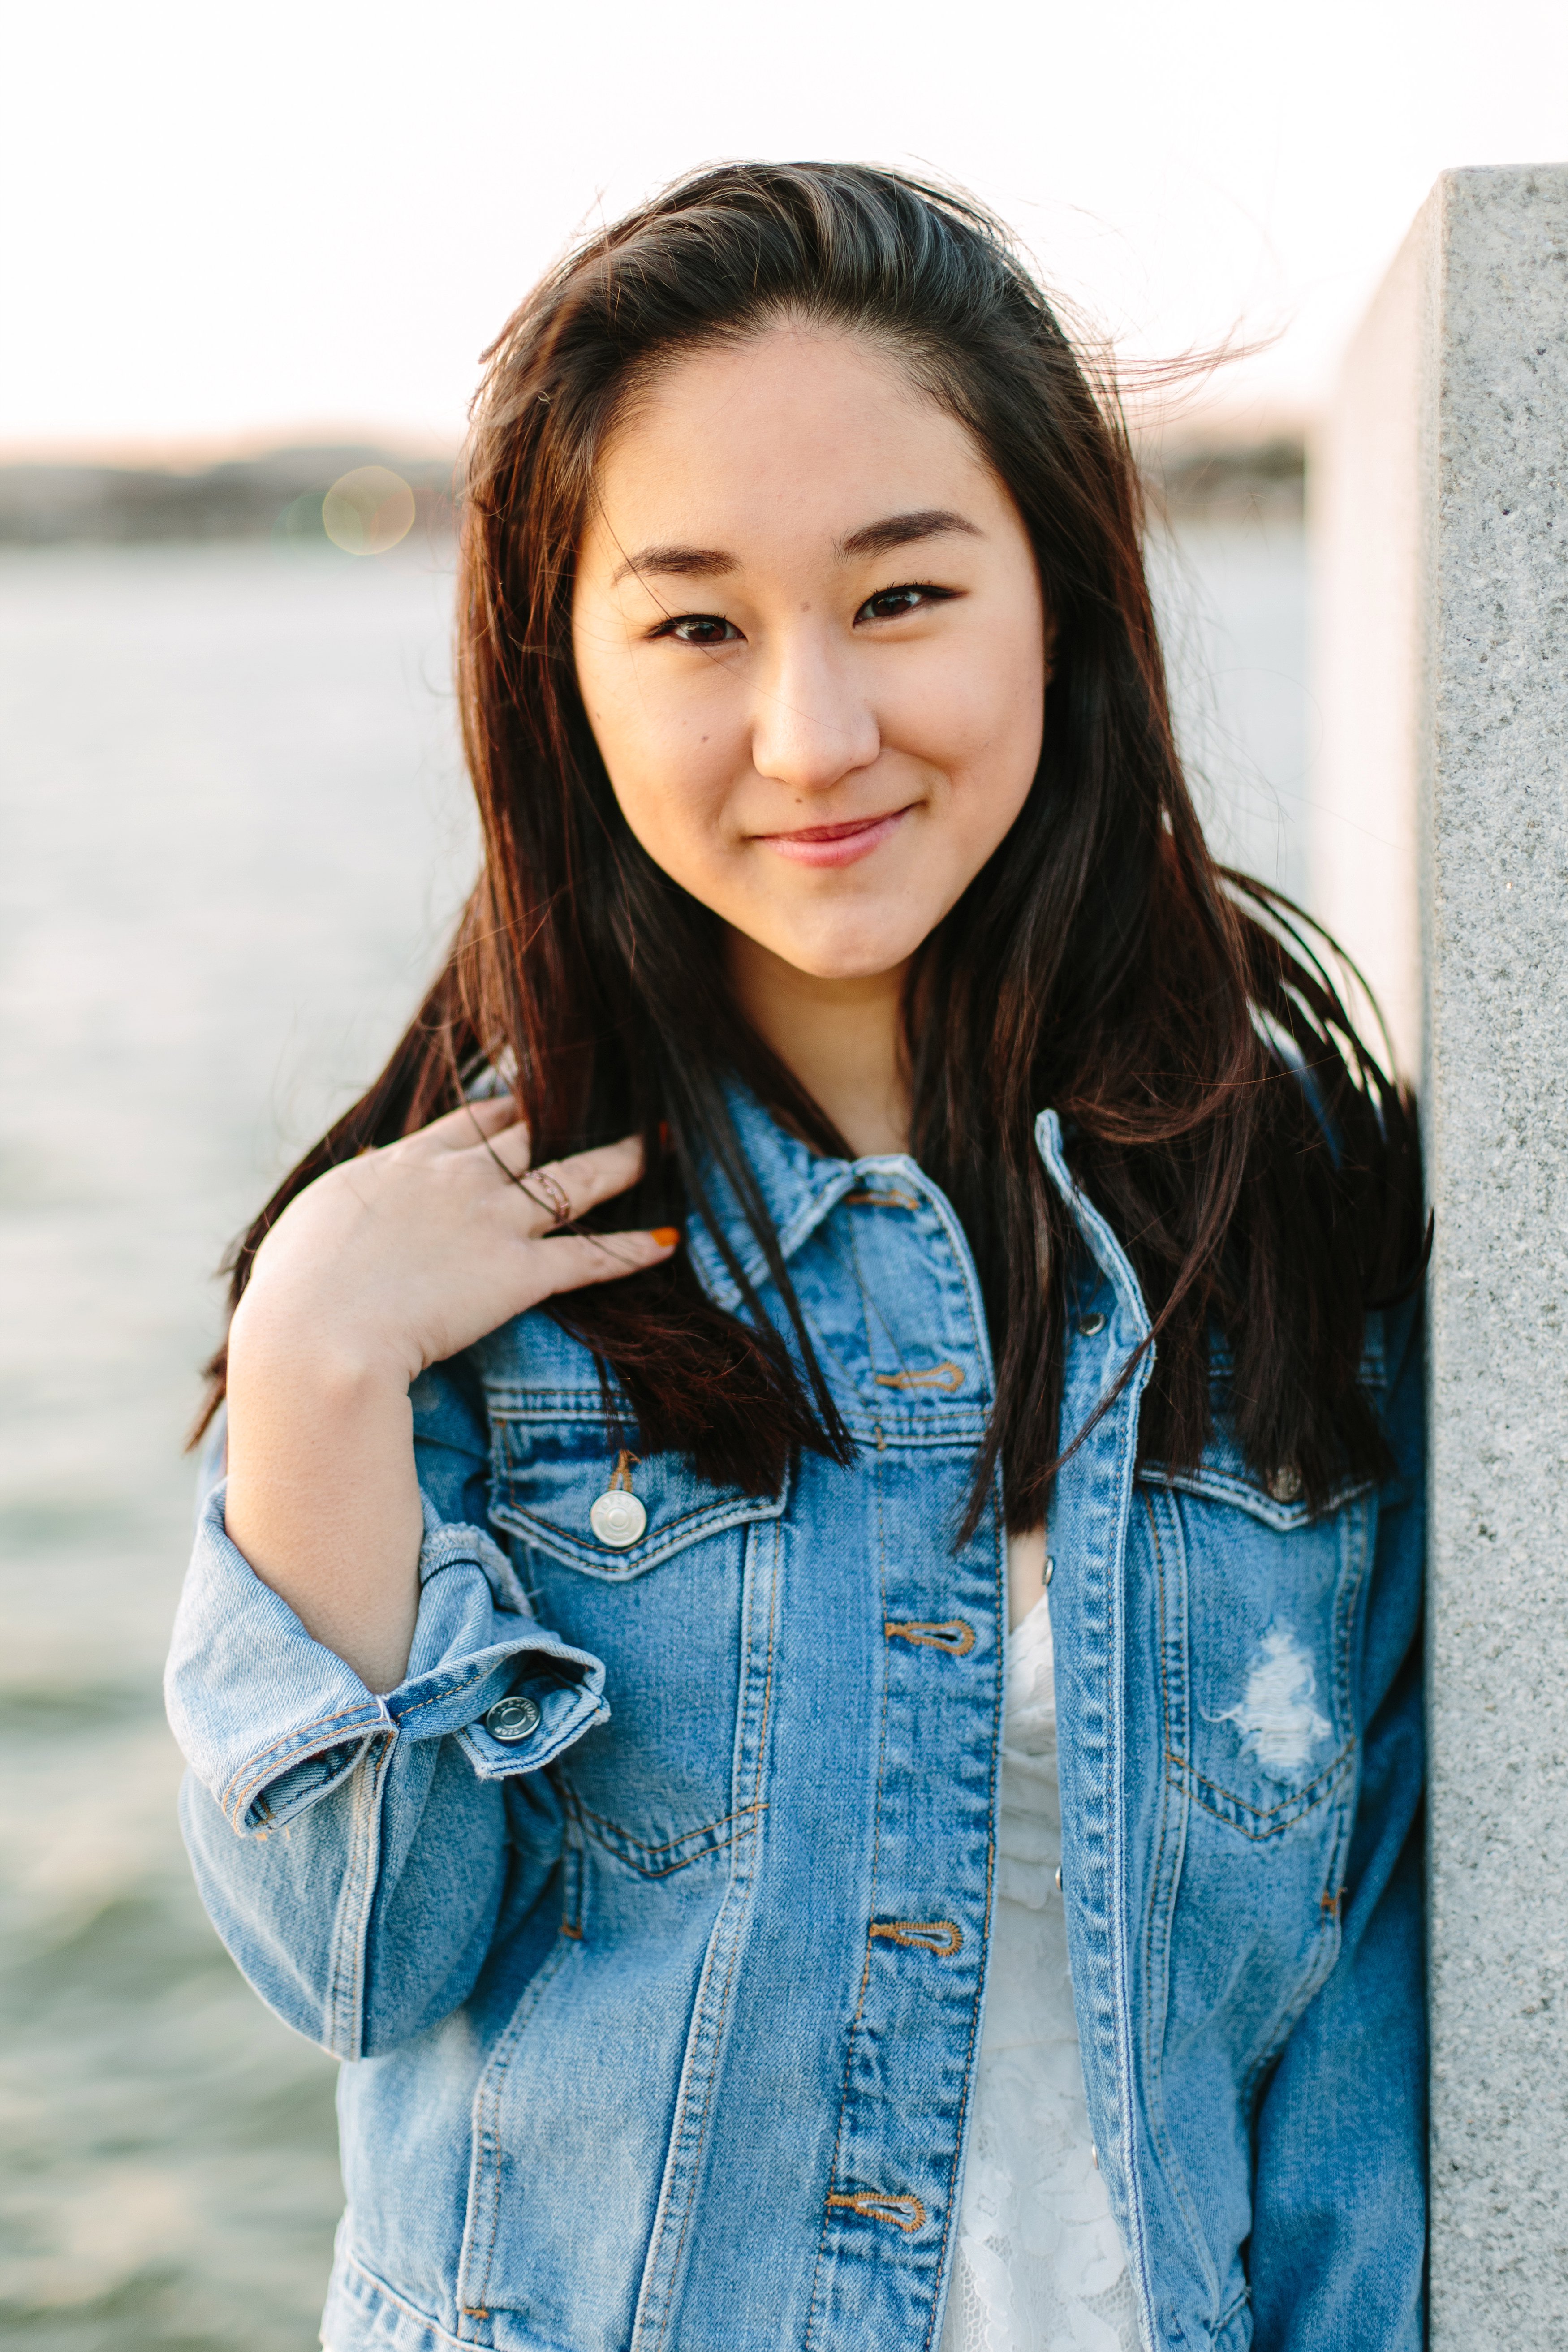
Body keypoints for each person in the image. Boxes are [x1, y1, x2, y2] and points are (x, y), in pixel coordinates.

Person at [165, 163, 1428, 2352]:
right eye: (694, 625)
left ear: (1060, 594)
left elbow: (1352, 2065)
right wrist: (307, 1363)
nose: (812, 734)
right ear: (559, 673)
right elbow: (346, 1958)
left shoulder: (1294, 1216)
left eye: (901, 597)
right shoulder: (438, 1282)